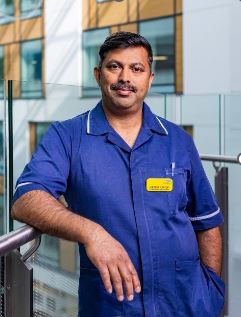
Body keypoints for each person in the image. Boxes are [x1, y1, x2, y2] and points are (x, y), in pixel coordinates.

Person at [12, 32, 225, 317]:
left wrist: (211, 290)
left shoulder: (178, 140)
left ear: (149, 78)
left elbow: (206, 221)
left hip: (187, 303)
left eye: (136, 69)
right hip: (112, 307)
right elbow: (26, 199)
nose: (125, 77)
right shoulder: (67, 136)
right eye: (115, 67)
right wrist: (93, 234)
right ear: (99, 74)